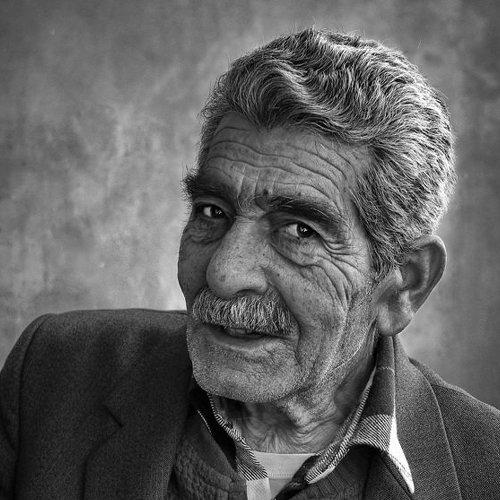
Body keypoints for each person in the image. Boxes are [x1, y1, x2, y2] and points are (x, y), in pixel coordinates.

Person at [1, 28, 499, 500]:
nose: (224, 273)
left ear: (404, 285)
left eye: (300, 231)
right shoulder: (52, 375)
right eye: (212, 212)